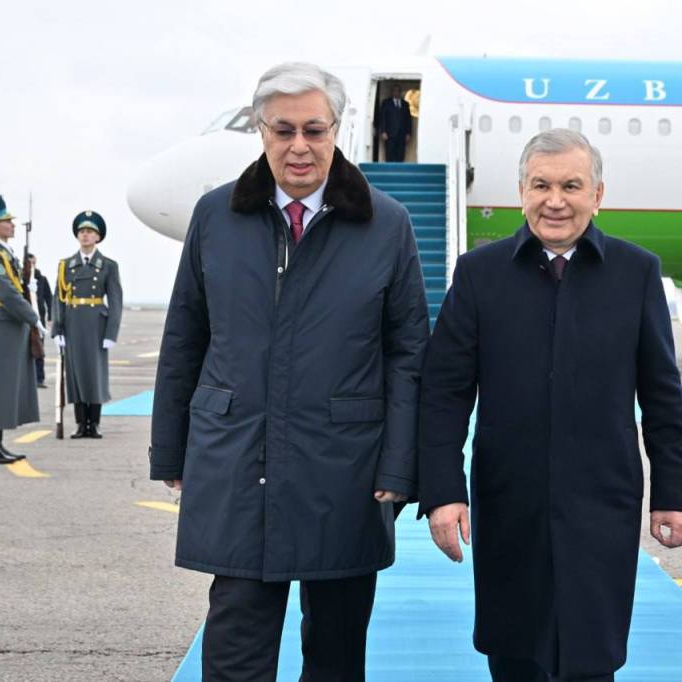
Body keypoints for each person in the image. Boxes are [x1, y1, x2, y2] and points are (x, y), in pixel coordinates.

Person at [149, 62, 428, 681]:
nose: (299, 146)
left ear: (336, 130)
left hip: (346, 470)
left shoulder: (386, 224)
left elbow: (409, 354)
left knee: (335, 654)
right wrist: (170, 449)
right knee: (235, 653)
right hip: (238, 459)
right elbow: (185, 337)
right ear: (262, 131)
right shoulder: (215, 216)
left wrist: (399, 465)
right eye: (283, 130)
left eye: (313, 130)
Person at [418, 129, 682, 681]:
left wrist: (673, 494)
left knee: (592, 655)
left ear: (598, 194)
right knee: (514, 652)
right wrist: (444, 492)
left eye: (571, 185)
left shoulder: (636, 273)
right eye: (541, 185)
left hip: (602, 501)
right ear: (521, 191)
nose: (555, 201)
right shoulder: (479, 274)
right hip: (509, 501)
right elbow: (444, 393)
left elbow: (662, 395)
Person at [0, 195, 45, 464]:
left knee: (3, 387)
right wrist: (33, 318)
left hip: (11, 326)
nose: (13, 225)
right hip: (2, 325)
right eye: (7, 221)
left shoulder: (5, 254)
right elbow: (7, 294)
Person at [52, 211, 123, 439]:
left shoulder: (108, 266)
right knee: (75, 375)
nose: (85, 235)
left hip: (96, 325)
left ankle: (95, 423)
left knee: (95, 374)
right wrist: (57, 329)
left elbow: (116, 301)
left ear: (98, 237)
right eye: (82, 231)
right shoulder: (66, 265)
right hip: (73, 323)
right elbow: (58, 299)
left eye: (90, 232)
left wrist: (111, 332)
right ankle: (81, 423)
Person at [26, 253, 53, 388]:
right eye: (29, 263)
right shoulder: (21, 278)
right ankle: (24, 379)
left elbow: (49, 298)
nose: (31, 266)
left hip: (39, 320)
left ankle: (39, 378)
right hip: (24, 318)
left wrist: (50, 316)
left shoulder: (42, 279)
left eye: (33, 263)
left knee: (38, 348)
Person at [377, 84, 412, 162]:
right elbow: (382, 117)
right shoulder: (386, 103)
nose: (396, 92)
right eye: (395, 90)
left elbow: (408, 119)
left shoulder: (405, 104)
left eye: (398, 91)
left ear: (400, 92)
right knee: (389, 154)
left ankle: (400, 169)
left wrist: (408, 133)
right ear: (392, 92)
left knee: (401, 154)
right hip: (389, 134)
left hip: (402, 134)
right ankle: (389, 169)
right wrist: (383, 131)